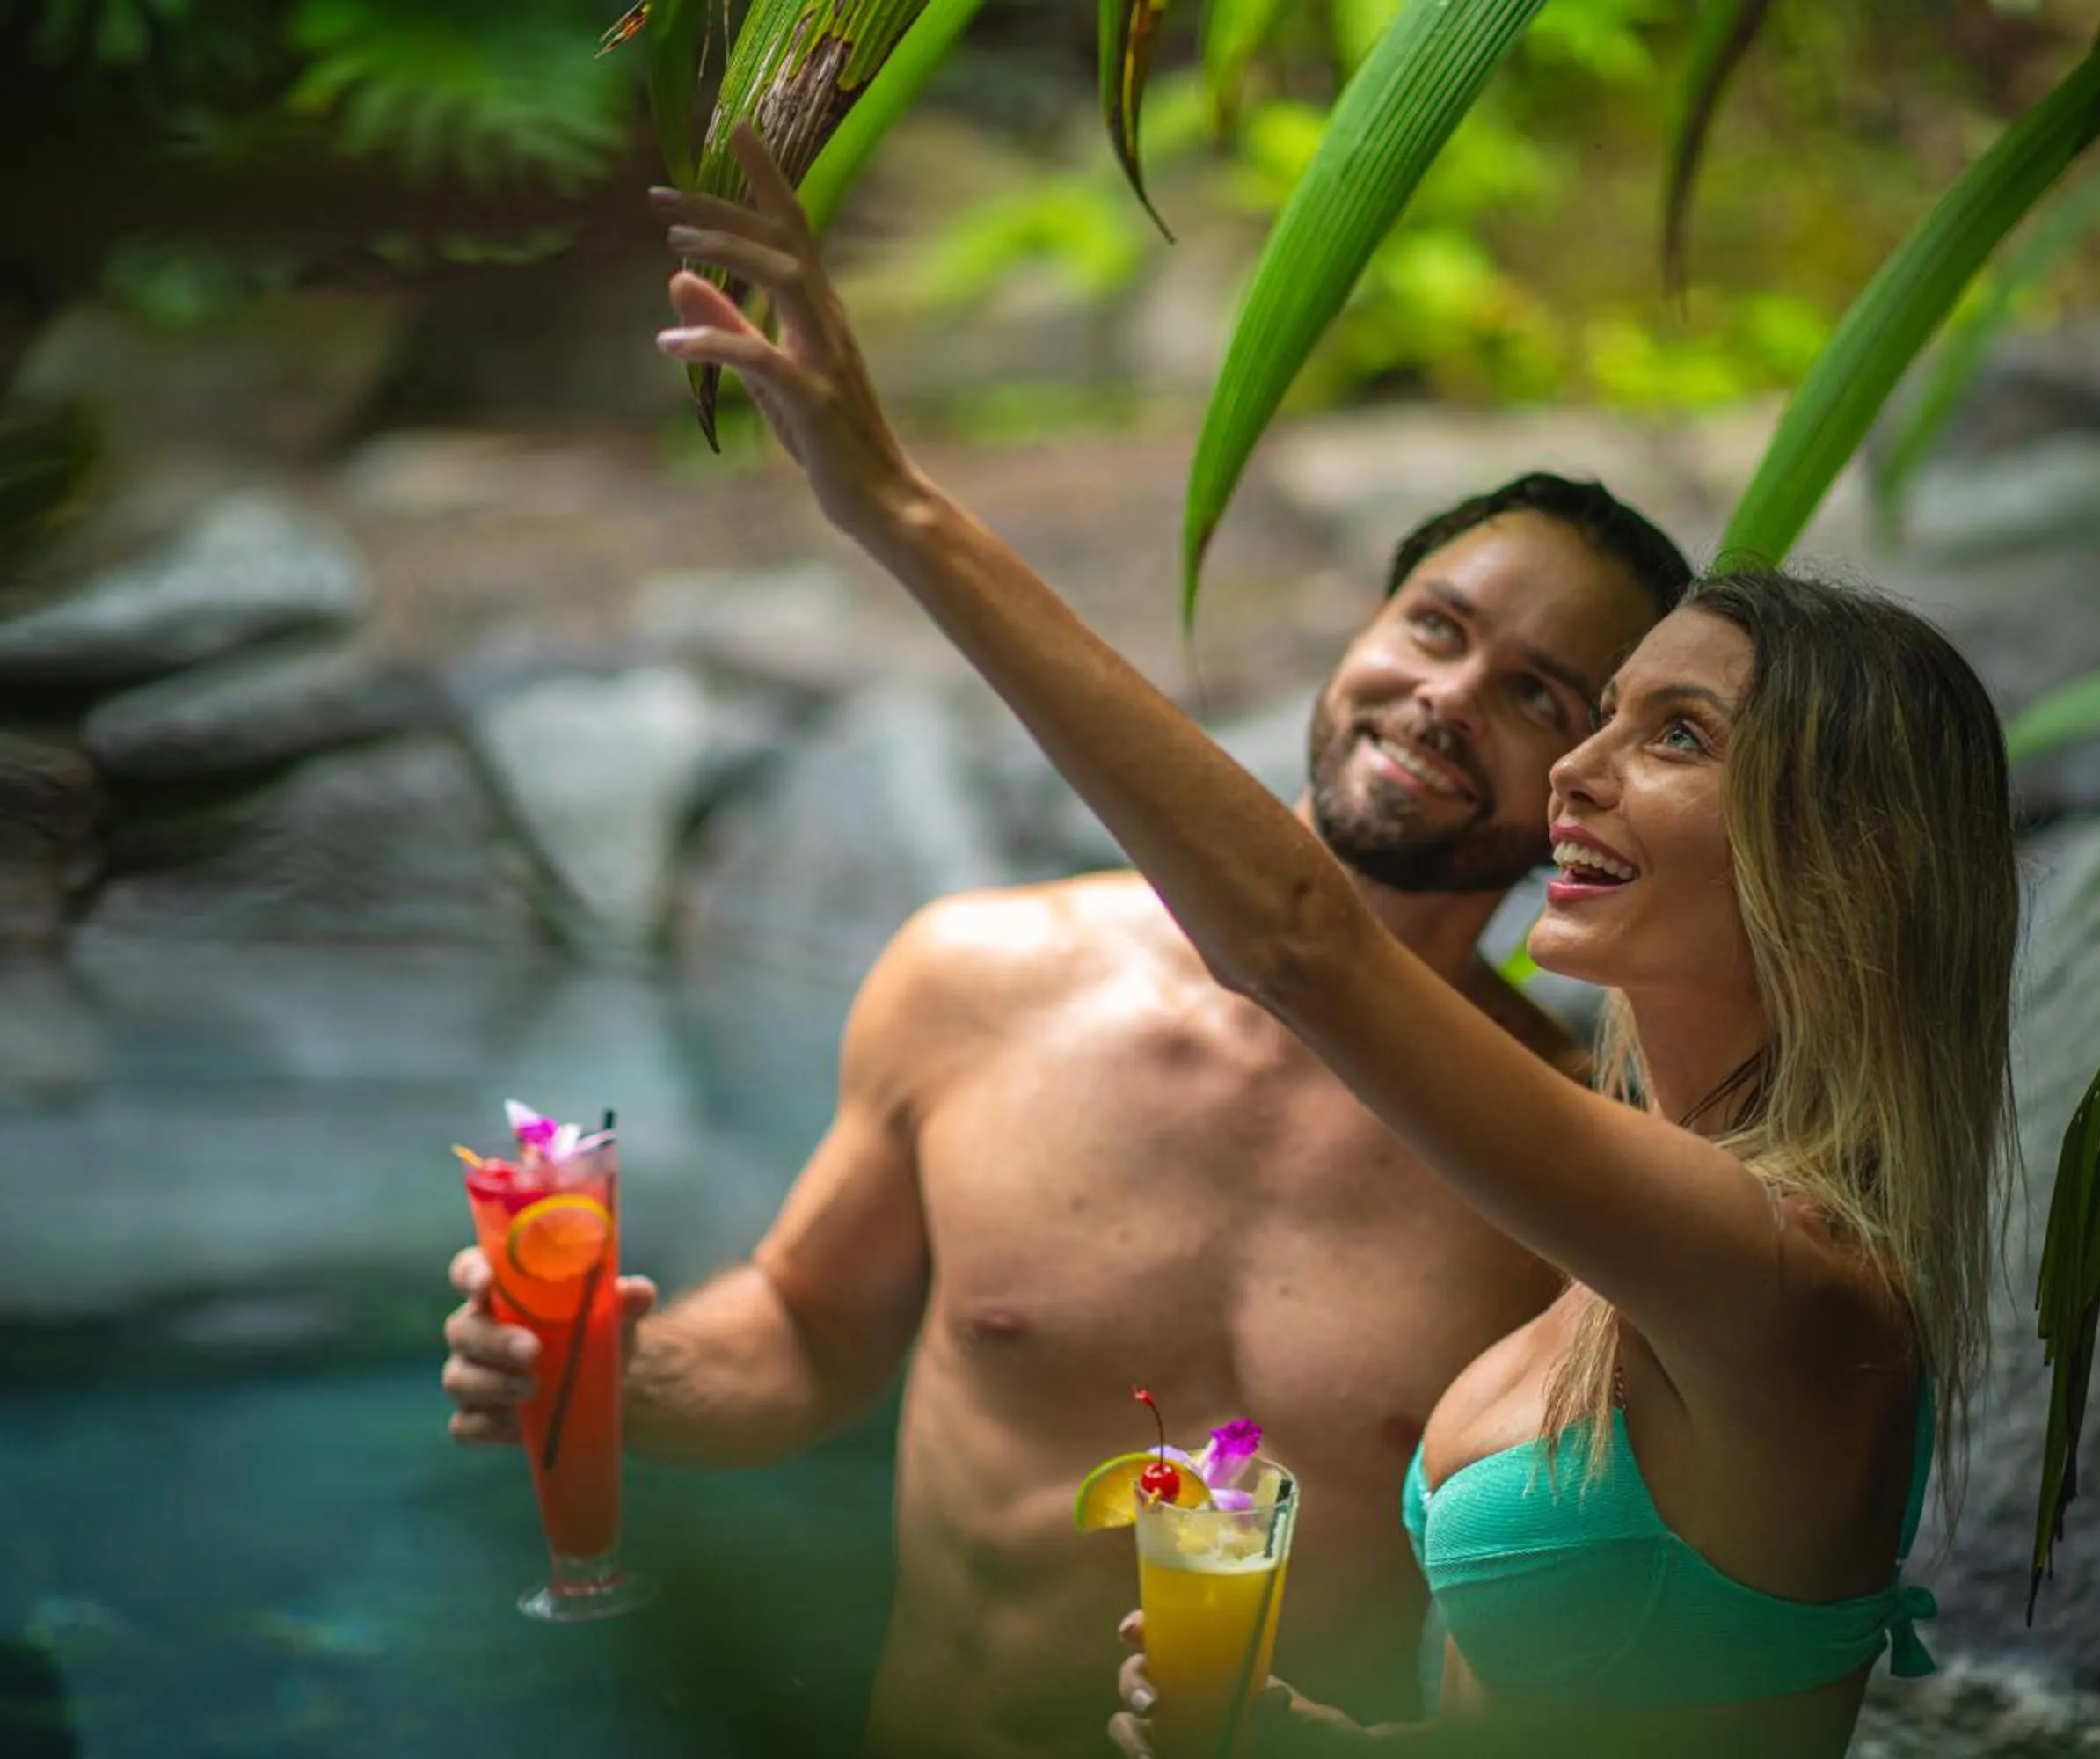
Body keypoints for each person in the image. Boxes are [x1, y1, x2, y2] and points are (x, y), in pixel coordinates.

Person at [647, 125, 2020, 1758]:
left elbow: (1301, 943)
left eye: (1657, 734)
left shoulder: (1787, 1276)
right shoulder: (1637, 1212)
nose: (1567, 760)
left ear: (1832, 863)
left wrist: (892, 504)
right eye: (1441, 630)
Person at [441, 205, 1692, 1759]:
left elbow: (1585, 1673)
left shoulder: (1564, 1165)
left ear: (1584, 780)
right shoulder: (980, 979)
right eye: (1432, 626)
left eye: (1534, 693)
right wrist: (631, 1378)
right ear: (1357, 632)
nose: (1446, 699)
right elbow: (814, 1332)